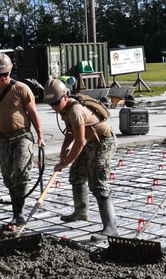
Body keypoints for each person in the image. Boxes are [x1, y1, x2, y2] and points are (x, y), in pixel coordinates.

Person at [44, 79, 118, 241]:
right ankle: (81, 211)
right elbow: (70, 133)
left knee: (98, 182)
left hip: (104, 142)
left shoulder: (75, 111)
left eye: (56, 102)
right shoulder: (65, 110)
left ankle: (111, 227)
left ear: (65, 96)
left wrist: (65, 162)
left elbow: (79, 142)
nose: (54, 107)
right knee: (77, 174)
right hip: (92, 142)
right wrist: (64, 152)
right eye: (51, 104)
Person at [0, 52, 45, 226]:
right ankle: (16, 212)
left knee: (21, 171)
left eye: (5, 74)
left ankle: (20, 212)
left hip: (22, 135)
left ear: (10, 72)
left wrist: (40, 135)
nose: (2, 78)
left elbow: (33, 113)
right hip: (2, 138)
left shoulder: (21, 88)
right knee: (8, 175)